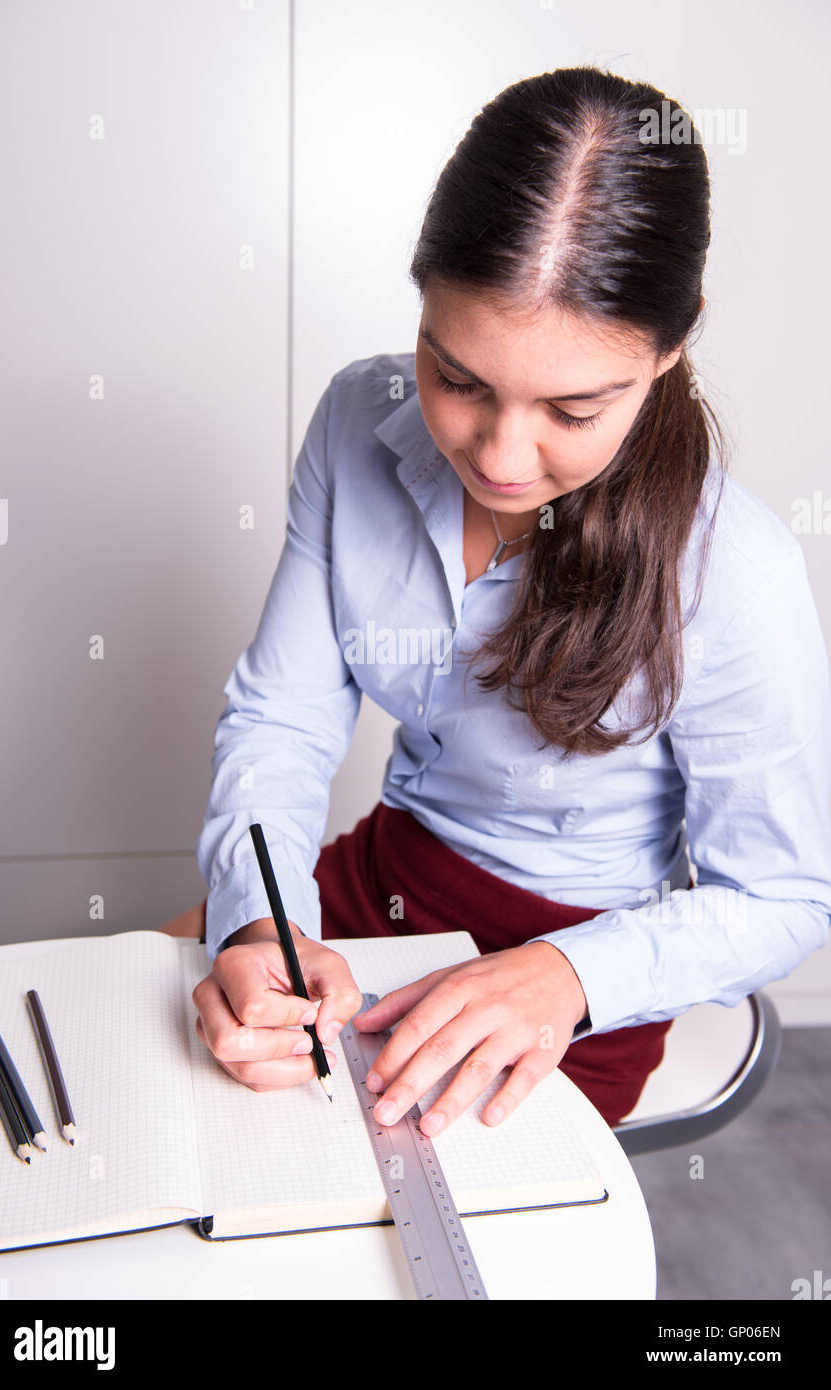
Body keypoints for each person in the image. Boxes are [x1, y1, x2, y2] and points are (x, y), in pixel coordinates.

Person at [188, 66, 831, 1133]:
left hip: (577, 970)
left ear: (672, 344)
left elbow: (781, 898)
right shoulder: (355, 419)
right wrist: (262, 926)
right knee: (157, 1073)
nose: (498, 457)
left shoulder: (736, 571)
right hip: (385, 879)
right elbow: (282, 718)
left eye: (572, 410)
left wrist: (566, 976)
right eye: (459, 380)